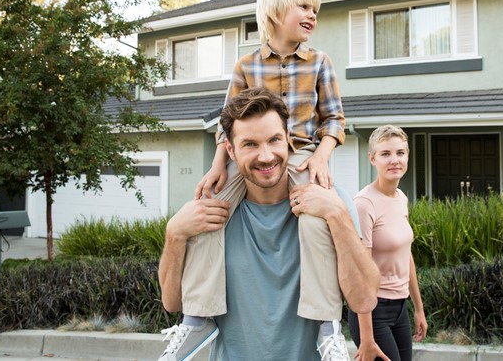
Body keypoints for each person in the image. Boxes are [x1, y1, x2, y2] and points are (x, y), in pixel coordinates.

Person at [157, 0, 348, 361]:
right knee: (210, 211)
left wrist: (321, 156)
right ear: (276, 11)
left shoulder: (320, 62)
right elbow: (228, 124)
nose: (312, 15)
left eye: (316, 9)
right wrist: (217, 167)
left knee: (316, 221)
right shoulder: (246, 65)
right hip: (246, 159)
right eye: (304, 7)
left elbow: (335, 119)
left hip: (300, 158)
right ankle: (197, 318)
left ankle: (329, 329)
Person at [158, 87, 380, 360]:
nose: (265, 156)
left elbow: (365, 299)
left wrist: (338, 215)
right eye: (250, 144)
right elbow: (172, 302)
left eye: (274, 140)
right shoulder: (208, 212)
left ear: (288, 138)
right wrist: (174, 234)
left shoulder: (331, 202)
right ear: (230, 149)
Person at [348, 125, 428, 361]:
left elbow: (406, 255)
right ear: (372, 159)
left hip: (400, 308)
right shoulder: (364, 204)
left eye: (400, 153)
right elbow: (359, 272)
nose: (394, 160)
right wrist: (367, 337)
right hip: (372, 311)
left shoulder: (401, 198)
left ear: (407, 156)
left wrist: (419, 309)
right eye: (385, 154)